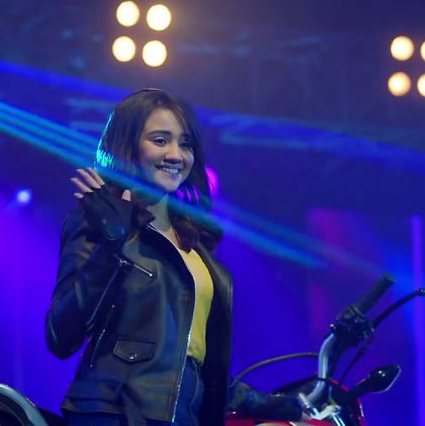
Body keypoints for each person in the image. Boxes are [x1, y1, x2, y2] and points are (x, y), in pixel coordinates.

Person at [45, 89, 303, 425]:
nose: (176, 155)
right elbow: (60, 336)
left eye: (185, 144)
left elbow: (191, 367)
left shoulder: (197, 249)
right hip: (115, 413)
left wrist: (280, 406)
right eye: (160, 140)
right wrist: (111, 244)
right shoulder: (95, 225)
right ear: (128, 146)